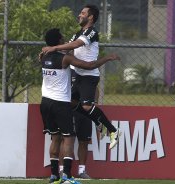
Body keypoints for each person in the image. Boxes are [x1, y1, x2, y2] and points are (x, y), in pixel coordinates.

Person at [40, 28, 119, 184]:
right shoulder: (66, 59)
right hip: (60, 104)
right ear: (59, 41)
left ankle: (54, 176)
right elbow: (89, 66)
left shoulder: (43, 57)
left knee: (55, 139)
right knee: (68, 139)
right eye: (62, 38)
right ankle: (67, 176)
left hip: (45, 102)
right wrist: (107, 58)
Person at [42, 4, 121, 150]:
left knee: (86, 106)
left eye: (83, 13)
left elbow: (76, 44)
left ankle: (113, 131)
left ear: (90, 17)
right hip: (77, 75)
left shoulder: (92, 32)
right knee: (69, 102)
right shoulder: (78, 33)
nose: (79, 15)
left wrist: (53, 48)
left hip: (88, 76)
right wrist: (51, 52)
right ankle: (97, 122)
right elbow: (69, 46)